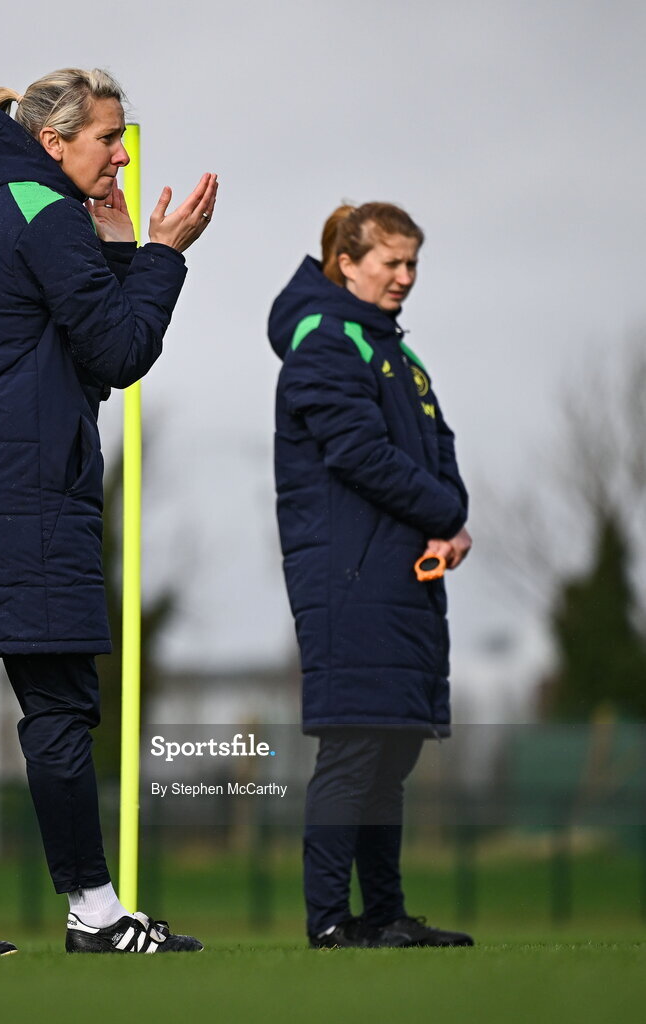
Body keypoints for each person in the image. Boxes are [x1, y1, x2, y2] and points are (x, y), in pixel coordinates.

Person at [0, 68, 217, 957]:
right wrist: (161, 255)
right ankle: (85, 916)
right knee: (57, 711)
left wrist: (108, 254)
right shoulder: (43, 208)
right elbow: (119, 350)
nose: (123, 154)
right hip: (21, 499)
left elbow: (63, 355)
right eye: (108, 139)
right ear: (55, 142)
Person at [268, 202, 473, 948]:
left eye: (412, 263)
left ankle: (384, 916)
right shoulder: (326, 344)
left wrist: (449, 522)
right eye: (391, 262)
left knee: (392, 751)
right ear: (346, 264)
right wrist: (445, 514)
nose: (404, 277)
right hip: (350, 581)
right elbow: (359, 453)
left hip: (403, 578)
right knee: (355, 749)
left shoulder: (398, 355)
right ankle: (329, 922)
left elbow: (436, 452)